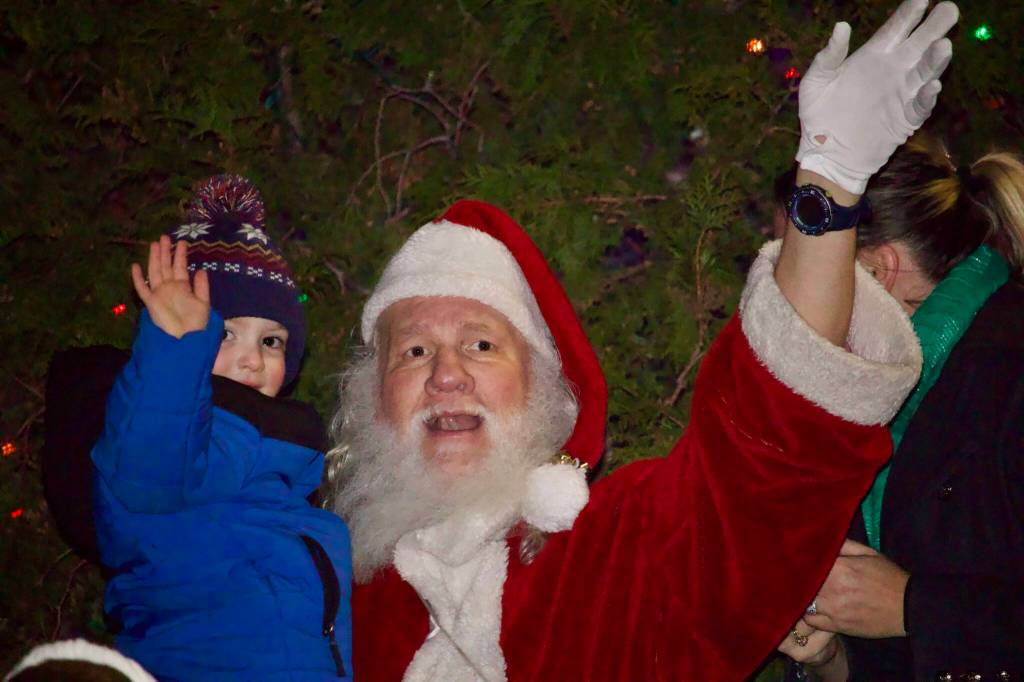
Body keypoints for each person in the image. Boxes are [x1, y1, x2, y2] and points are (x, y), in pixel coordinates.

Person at [324, 1, 957, 679]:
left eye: (481, 345)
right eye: (414, 351)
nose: (446, 374)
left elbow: (765, 459)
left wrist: (830, 178)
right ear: (371, 398)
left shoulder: (611, 554)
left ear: (544, 389)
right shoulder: (313, 588)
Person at [779, 132, 1024, 681]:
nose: (786, 303)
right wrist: (830, 658)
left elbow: (909, 606)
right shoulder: (873, 393)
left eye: (792, 270)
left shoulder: (1009, 368)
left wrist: (912, 607)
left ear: (876, 270)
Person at [90, 176, 353, 681]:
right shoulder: (162, 438)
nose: (251, 359)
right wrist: (177, 346)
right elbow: (149, 467)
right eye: (225, 333)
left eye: (271, 342)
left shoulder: (289, 473)